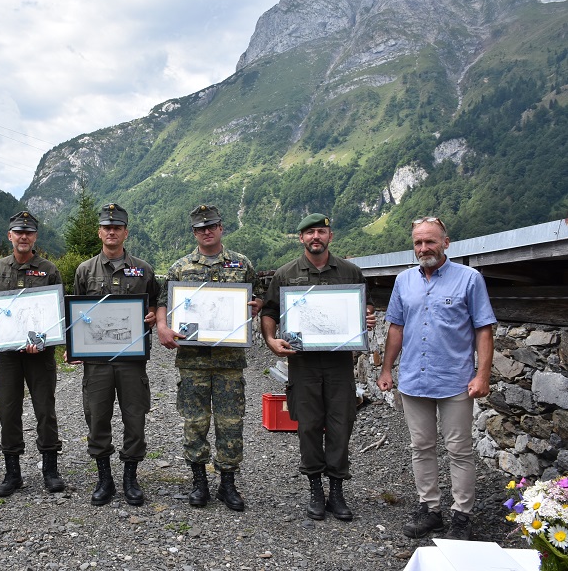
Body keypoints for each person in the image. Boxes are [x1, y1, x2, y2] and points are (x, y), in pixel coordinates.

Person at [377, 216, 495, 541]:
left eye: (430, 241)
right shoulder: (403, 281)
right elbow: (396, 328)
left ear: (446, 242)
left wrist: (483, 374)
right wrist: (387, 368)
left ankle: (462, 516)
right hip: (414, 380)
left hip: (456, 380)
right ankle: (430, 510)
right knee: (421, 446)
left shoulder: (470, 279)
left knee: (459, 449)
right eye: (418, 242)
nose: (424, 248)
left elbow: (483, 329)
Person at [260, 213, 375, 522]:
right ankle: (315, 488)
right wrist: (271, 340)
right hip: (303, 363)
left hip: (339, 363)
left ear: (330, 236)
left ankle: (336, 490)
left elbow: (363, 308)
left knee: (341, 423)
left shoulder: (351, 272)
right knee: (309, 425)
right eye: (309, 232)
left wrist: (366, 319)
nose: (315, 237)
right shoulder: (285, 275)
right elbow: (269, 311)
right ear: (301, 238)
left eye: (321, 231)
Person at [156, 205, 263, 512]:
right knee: (194, 421)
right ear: (194, 232)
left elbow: (255, 298)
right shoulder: (181, 268)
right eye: (201, 228)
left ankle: (227, 484)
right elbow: (164, 303)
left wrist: (254, 306)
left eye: (212, 226)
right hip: (193, 360)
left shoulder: (242, 264)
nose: (207, 231)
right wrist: (163, 327)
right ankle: (199, 481)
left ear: (221, 228)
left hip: (230, 360)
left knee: (231, 423)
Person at [72, 203, 160, 506]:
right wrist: (75, 344)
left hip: (131, 360)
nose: (112, 231)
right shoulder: (85, 270)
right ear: (100, 232)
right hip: (96, 361)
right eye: (107, 227)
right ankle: (104, 478)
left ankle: (130, 477)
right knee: (97, 417)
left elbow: (156, 304)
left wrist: (151, 315)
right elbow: (76, 314)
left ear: (125, 232)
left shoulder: (143, 269)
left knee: (135, 417)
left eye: (117, 227)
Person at [0, 211, 65, 496]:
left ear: (35, 237)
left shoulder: (49, 270)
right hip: (8, 355)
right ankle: (12, 472)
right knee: (8, 410)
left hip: (40, 354)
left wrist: (45, 338)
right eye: (18, 232)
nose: (23, 236)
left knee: (45, 410)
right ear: (10, 235)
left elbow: (57, 313)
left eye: (28, 232)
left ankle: (50, 469)